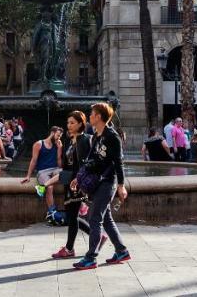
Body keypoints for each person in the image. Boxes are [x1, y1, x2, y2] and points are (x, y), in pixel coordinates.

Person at [71, 102, 130, 270]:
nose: (89, 116)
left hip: (108, 182)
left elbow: (119, 162)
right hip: (98, 180)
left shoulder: (112, 136)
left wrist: (121, 185)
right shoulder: (96, 134)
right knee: (106, 217)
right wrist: (79, 176)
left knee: (94, 218)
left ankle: (91, 258)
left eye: (92, 114)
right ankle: (121, 250)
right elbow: (90, 158)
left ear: (98, 116)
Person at [52, 111, 99, 260]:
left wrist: (79, 182)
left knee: (72, 217)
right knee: (72, 217)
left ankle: (69, 248)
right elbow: (65, 165)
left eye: (72, 123)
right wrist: (59, 148)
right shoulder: (70, 140)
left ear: (80, 124)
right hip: (69, 182)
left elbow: (85, 165)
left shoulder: (84, 140)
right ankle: (96, 235)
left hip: (78, 183)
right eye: (68, 123)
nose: (69, 125)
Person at [22, 126, 64, 220]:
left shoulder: (57, 144)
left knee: (65, 173)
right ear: (52, 133)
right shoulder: (38, 144)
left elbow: (59, 162)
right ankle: (52, 211)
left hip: (55, 169)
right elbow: (33, 161)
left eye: (60, 136)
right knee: (50, 187)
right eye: (58, 135)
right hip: (42, 172)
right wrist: (28, 176)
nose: (59, 138)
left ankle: (42, 187)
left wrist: (59, 149)